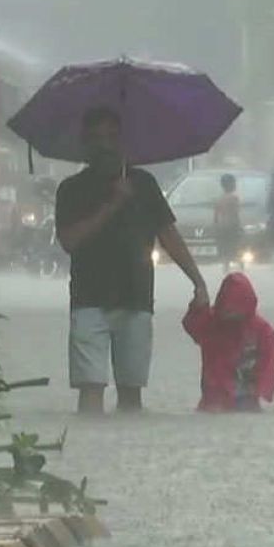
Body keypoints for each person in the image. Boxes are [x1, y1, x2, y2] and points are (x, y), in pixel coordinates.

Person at [55, 106, 209, 415]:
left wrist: (198, 281)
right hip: (89, 301)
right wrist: (113, 204)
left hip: (135, 299)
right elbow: (70, 241)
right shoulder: (72, 189)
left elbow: (169, 235)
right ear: (85, 143)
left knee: (131, 398)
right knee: (90, 394)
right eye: (97, 138)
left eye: (112, 137)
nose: (105, 145)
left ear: (123, 142)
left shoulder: (144, 184)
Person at [182, 272, 274, 412]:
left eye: (235, 310)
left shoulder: (261, 330)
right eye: (227, 310)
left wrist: (261, 387)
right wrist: (197, 307)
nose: (230, 315)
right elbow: (191, 326)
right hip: (213, 397)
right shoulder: (211, 322)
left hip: (247, 396)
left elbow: (270, 358)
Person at [214, 173, 242, 273]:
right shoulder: (234, 198)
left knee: (225, 248)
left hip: (222, 227)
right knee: (234, 247)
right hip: (232, 226)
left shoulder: (219, 199)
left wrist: (216, 225)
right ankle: (240, 266)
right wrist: (239, 226)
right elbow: (236, 213)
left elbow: (216, 215)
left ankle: (226, 267)